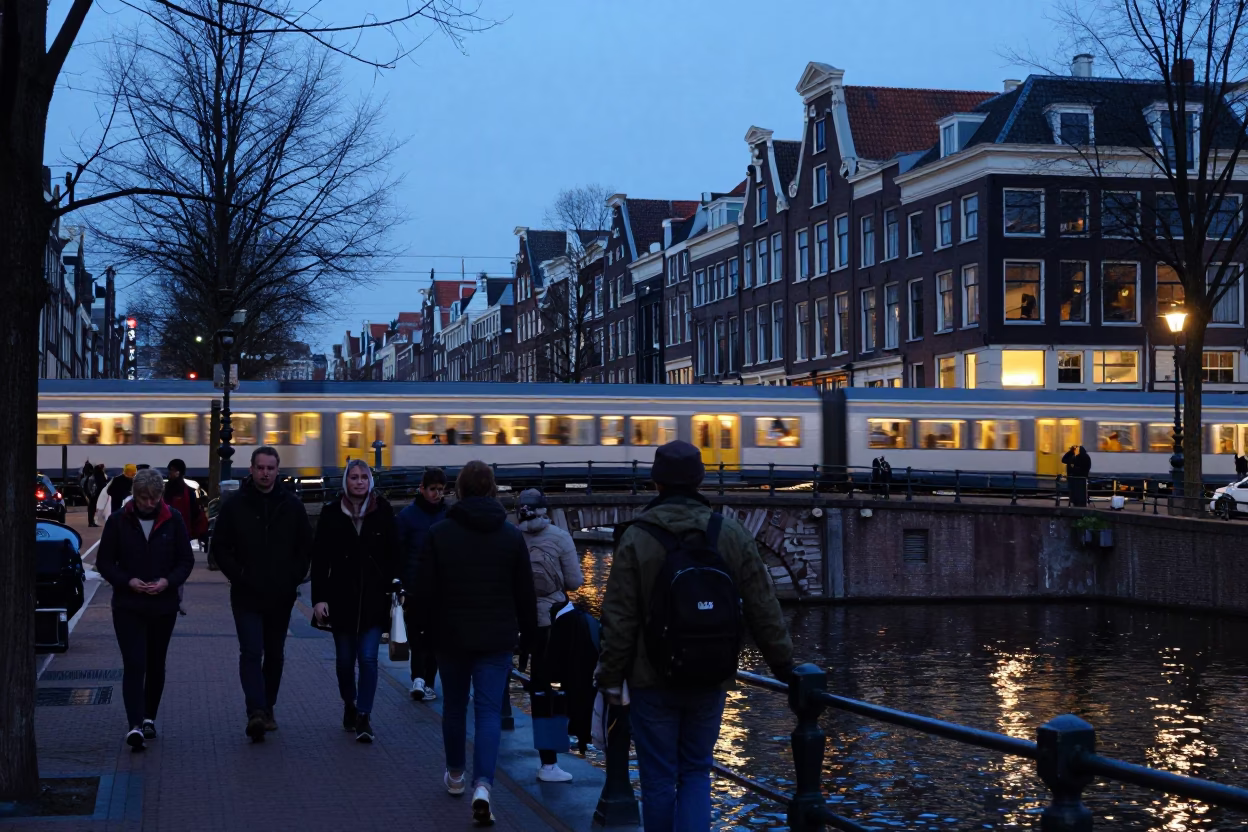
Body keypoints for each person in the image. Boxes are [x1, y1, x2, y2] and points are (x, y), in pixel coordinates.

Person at [596, 440, 795, 832]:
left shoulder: (636, 537)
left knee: (657, 779)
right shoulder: (731, 533)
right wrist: (784, 665)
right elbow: (763, 605)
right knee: (696, 773)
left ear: (656, 483)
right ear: (700, 480)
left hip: (650, 679)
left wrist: (609, 678)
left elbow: (619, 617)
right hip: (711, 674)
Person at [415, 460, 537, 826]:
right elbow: (525, 595)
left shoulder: (440, 533)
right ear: (493, 490)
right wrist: (528, 640)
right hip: (496, 638)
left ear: (460, 490)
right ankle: (483, 786)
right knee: (487, 713)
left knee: (454, 708)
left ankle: (455, 775)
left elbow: (424, 592)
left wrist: (421, 634)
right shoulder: (511, 536)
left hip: (450, 637)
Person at [211, 447, 313, 743]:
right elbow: (220, 546)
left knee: (275, 654)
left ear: (277, 471)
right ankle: (256, 710)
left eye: (270, 468)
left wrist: (292, 576)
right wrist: (240, 575)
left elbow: (305, 546)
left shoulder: (291, 506)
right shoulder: (235, 506)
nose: (265, 473)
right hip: (246, 593)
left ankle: (268, 707)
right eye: (260, 467)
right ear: (251, 469)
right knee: (251, 651)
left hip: (280, 594)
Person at [95, 469, 195, 751]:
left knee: (155, 663)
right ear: (134, 496)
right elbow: (105, 562)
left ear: (161, 496)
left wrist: (167, 582)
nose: (148, 503)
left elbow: (185, 560)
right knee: (134, 662)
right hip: (128, 605)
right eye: (143, 498)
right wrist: (128, 582)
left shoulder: (173, 519)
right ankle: (135, 725)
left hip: (163, 606)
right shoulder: (118, 522)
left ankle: (149, 716)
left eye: (153, 498)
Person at [311, 460, 399, 743]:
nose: (359, 482)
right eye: (354, 477)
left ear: (370, 482)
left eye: (364, 477)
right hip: (341, 598)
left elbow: (394, 554)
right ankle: (349, 703)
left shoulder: (383, 512)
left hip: (375, 599)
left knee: (370, 659)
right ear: (346, 482)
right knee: (345, 661)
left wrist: (396, 588)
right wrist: (319, 599)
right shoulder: (330, 514)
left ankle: (364, 715)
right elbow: (320, 559)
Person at [515, 488, 584, 783]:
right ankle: (558, 756)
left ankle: (547, 761)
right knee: (564, 687)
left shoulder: (513, 537)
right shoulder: (560, 537)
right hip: (555, 624)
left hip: (522, 623)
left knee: (536, 688)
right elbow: (575, 581)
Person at [397, 467, 449, 702]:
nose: (437, 494)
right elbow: (398, 551)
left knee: (432, 637)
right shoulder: (412, 517)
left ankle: (424, 680)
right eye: (433, 490)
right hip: (416, 587)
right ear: (423, 489)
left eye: (440, 490)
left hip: (433, 588)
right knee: (420, 636)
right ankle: (421, 678)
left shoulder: (410, 516)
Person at [164, 459, 209, 544]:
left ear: (179, 472)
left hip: (175, 532)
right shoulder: (188, 491)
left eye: (172, 470)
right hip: (183, 532)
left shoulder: (168, 490)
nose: (170, 473)